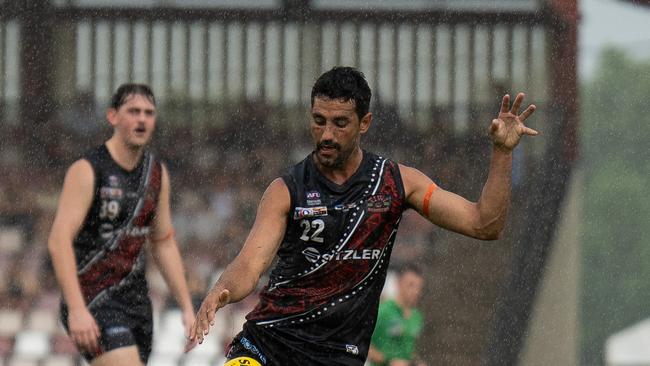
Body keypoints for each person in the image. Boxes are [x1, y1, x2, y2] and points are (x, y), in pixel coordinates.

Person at [187, 66, 538, 365]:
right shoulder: (286, 189)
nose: (326, 134)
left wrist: (502, 153)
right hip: (268, 346)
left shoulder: (398, 183)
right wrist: (221, 289)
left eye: (340, 123)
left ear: (365, 123)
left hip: (338, 356)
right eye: (319, 121)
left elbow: (484, 224)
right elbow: (250, 265)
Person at [47, 83, 196, 365]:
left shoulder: (156, 173)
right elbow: (58, 240)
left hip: (137, 302)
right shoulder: (88, 169)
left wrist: (187, 306)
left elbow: (163, 241)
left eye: (149, 113)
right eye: (134, 111)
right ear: (113, 116)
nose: (142, 119)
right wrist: (77, 309)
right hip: (93, 297)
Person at [368, 265, 426, 366]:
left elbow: (408, 348)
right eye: (410, 285)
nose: (415, 291)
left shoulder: (417, 316)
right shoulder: (383, 311)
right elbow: (365, 345)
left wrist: (416, 362)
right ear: (398, 284)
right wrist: (388, 361)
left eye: (418, 287)